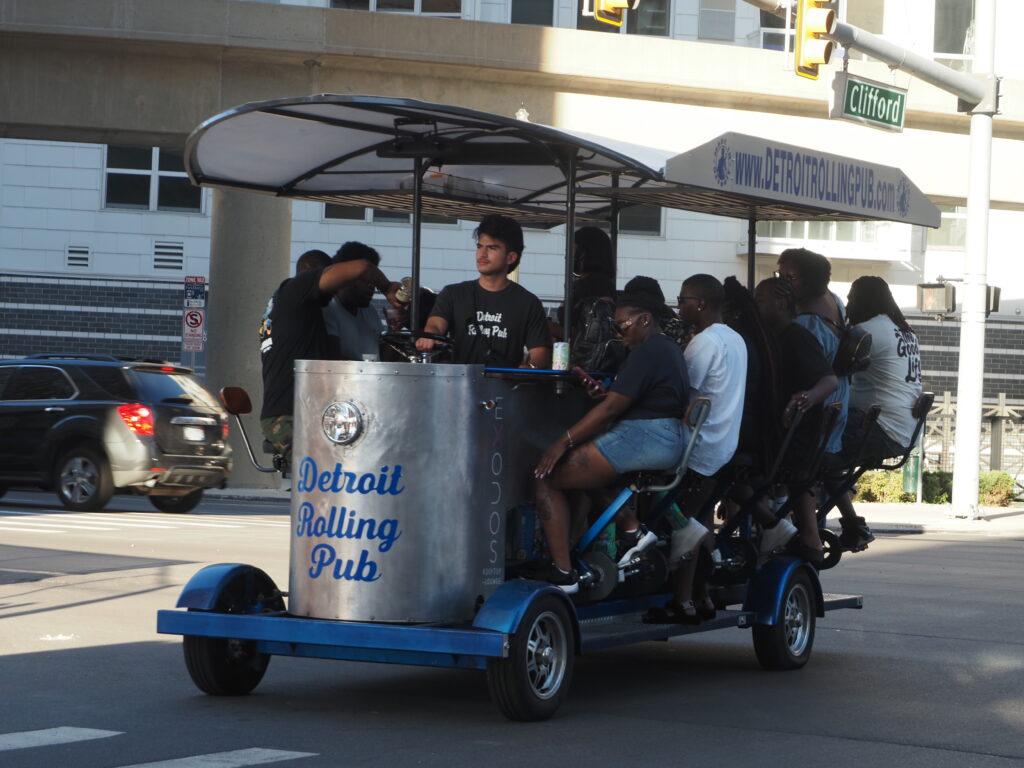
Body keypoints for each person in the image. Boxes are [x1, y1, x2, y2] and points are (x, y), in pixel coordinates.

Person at [532, 292, 690, 593]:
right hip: (663, 438)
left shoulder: (646, 352)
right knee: (582, 474)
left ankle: (563, 573)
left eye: (623, 326)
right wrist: (605, 395)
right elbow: (621, 400)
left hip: (645, 437)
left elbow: (610, 409)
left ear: (645, 320)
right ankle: (632, 529)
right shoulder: (665, 348)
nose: (618, 335)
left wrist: (561, 442)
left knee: (546, 476)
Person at [260, 249, 404, 470]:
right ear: (314, 274)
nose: (335, 289)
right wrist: (387, 288)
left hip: (301, 410)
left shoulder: (292, 308)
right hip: (289, 415)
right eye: (332, 279)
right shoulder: (296, 289)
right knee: (333, 471)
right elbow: (362, 266)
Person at [659, 274, 747, 621]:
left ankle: (683, 602)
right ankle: (702, 595)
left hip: (698, 447)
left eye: (683, 300)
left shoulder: (704, 343)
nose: (679, 307)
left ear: (702, 304)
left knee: (686, 527)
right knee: (701, 521)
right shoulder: (735, 339)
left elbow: (681, 391)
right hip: (723, 445)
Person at [830, 275, 923, 549]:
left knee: (810, 450)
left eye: (851, 297)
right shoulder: (903, 329)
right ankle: (847, 506)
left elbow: (833, 367)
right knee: (822, 450)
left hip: (879, 427)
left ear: (862, 300)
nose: (847, 304)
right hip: (903, 429)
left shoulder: (868, 331)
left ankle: (846, 523)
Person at [754, 277, 839, 564]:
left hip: (794, 437)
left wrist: (806, 398)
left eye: (761, 300)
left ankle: (786, 531)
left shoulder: (797, 336)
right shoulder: (769, 336)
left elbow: (829, 380)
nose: (756, 306)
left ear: (780, 303)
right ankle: (784, 531)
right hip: (781, 434)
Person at [416, 215, 551, 368]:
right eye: (479, 246)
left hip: (507, 389)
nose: (482, 254)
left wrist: (527, 369)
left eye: (492, 248)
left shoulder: (528, 303)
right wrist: (430, 337)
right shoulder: (452, 293)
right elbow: (435, 326)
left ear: (511, 257)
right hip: (459, 387)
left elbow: (540, 355)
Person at [776, 248, 849, 456]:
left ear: (810, 281)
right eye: (779, 276)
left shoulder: (805, 325)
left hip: (815, 408)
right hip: (839, 400)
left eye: (790, 278)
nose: (782, 284)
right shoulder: (835, 300)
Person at [322, 241, 385, 361]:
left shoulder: (369, 311)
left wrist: (395, 331)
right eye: (366, 280)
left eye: (374, 281)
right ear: (347, 277)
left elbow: (385, 356)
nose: (372, 286)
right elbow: (332, 360)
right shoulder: (329, 308)